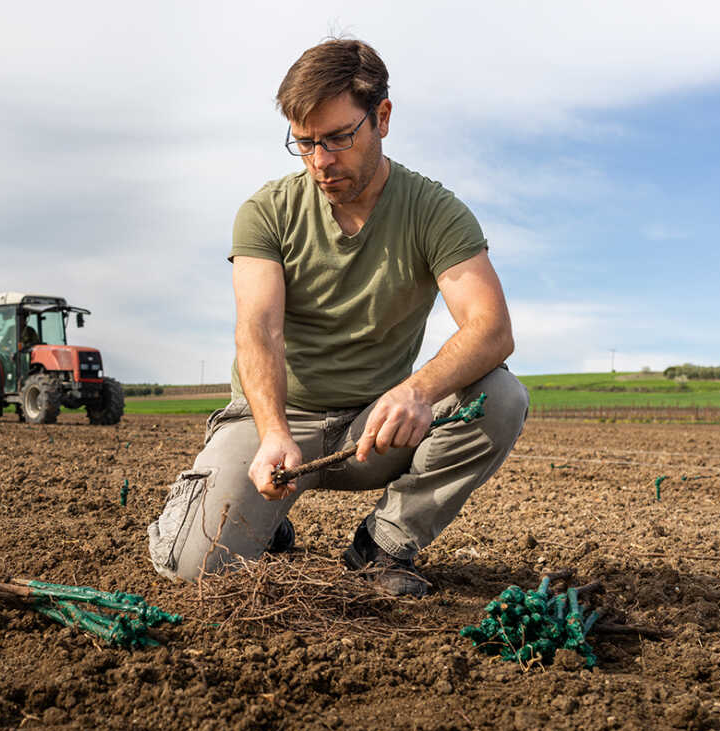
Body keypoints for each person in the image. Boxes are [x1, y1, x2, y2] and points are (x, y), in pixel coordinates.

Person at [148, 39, 529, 596]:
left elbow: (491, 328)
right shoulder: (267, 211)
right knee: (191, 570)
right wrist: (275, 430)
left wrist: (418, 390)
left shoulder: (433, 211)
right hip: (273, 425)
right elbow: (260, 328)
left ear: (383, 117)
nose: (321, 161)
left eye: (338, 138)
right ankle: (266, 524)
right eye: (304, 144)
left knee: (500, 398)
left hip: (373, 428)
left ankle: (382, 548)